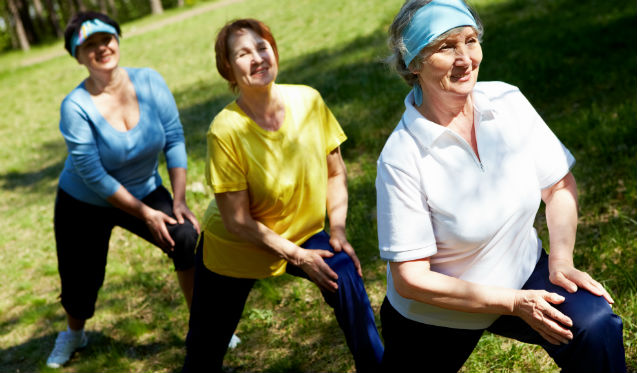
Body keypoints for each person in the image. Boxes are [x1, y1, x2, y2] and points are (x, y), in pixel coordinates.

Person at [375, 0, 626, 372]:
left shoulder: (506, 100)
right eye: (446, 46)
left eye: (470, 40)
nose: (465, 58)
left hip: (522, 268)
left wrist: (561, 260)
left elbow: (558, 187)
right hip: (441, 311)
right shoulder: (401, 156)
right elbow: (412, 279)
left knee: (595, 325)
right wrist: (512, 303)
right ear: (414, 63)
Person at [182, 18, 384, 373]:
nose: (257, 57)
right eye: (243, 53)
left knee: (345, 275)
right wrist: (297, 256)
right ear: (227, 68)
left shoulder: (309, 101)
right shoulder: (224, 130)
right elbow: (237, 221)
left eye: (262, 47)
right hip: (236, 247)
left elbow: (335, 172)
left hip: (304, 232)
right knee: (204, 352)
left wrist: (337, 230)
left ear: (274, 51)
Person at [46, 11, 200, 368]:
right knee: (80, 281)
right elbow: (94, 176)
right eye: (90, 45)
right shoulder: (75, 107)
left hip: (145, 187)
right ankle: (73, 334)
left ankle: (201, 328)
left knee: (186, 236)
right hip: (83, 201)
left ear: (117, 40)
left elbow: (174, 138)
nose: (102, 48)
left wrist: (178, 199)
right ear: (78, 55)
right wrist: (146, 214)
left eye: (106, 39)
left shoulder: (149, 82)